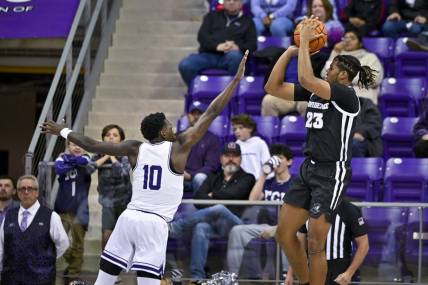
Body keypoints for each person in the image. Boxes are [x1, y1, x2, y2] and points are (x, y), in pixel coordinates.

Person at [41, 51, 249, 285]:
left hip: (128, 219)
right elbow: (212, 112)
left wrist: (63, 131)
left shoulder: (134, 148)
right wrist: (235, 81)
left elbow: (92, 144)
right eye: (169, 125)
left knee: (104, 279)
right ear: (162, 131)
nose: (172, 127)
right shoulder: (178, 146)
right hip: (154, 223)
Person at [264, 16, 377, 285]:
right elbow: (272, 87)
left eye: (332, 67)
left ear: (344, 76)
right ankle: (305, 281)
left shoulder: (346, 95)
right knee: (284, 233)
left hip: (331, 173)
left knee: (315, 243)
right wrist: (290, 51)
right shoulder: (317, 92)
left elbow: (305, 75)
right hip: (309, 168)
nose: (327, 68)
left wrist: (304, 41)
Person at [169, 142, 255, 283]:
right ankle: (197, 277)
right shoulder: (213, 176)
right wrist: (217, 196)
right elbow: (198, 199)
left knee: (220, 208)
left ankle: (177, 227)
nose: (231, 159)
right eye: (227, 155)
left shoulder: (248, 178)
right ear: (221, 158)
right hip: (214, 225)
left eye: (235, 156)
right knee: (200, 227)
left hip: (236, 225)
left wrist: (212, 195)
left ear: (240, 159)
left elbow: (234, 194)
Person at [227, 144, 293, 279]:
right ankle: (232, 277)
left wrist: (280, 228)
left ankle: (286, 277)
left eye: (281, 158)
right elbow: (252, 200)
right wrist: (263, 174)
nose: (278, 161)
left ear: (289, 161)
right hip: (266, 226)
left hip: (287, 227)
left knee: (288, 233)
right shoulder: (268, 183)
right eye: (275, 158)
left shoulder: (296, 183)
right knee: (237, 231)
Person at [0, 175, 69, 285]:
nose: (26, 192)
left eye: (30, 188)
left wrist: (45, 262)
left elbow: (63, 244)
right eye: (22, 188)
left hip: (41, 280)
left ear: (37, 192)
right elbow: (1, 248)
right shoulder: (8, 216)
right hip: (11, 279)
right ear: (17, 192)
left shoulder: (51, 216)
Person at [286, 199, 369, 285]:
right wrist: (290, 273)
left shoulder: (348, 209)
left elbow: (364, 244)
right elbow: (299, 245)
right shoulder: (307, 209)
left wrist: (349, 273)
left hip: (337, 269)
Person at [178, 0, 256, 87]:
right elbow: (202, 37)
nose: (231, 2)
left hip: (231, 57)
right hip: (208, 55)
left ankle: (230, 94)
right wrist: (217, 46)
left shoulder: (248, 21)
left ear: (241, 3)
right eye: (228, 0)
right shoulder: (211, 16)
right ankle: (198, 90)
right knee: (185, 65)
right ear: (223, 2)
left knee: (236, 57)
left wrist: (238, 47)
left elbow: (252, 45)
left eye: (235, 0)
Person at [87, 124, 132, 249]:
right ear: (103, 139)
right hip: (107, 201)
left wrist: (112, 156)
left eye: (115, 135)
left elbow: (122, 173)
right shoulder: (98, 155)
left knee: (124, 234)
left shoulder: (125, 156)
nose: (111, 138)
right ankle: (105, 264)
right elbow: (88, 169)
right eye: (107, 135)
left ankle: (123, 264)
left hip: (125, 200)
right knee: (106, 233)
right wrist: (106, 156)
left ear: (121, 140)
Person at [54, 141, 92, 280]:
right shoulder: (60, 158)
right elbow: (58, 169)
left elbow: (83, 161)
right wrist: (71, 161)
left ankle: (73, 273)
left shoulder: (87, 157)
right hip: (62, 207)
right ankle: (72, 264)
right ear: (67, 147)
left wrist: (69, 160)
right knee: (60, 241)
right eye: (72, 144)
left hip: (80, 210)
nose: (77, 146)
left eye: (80, 144)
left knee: (78, 243)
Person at [321, 29, 384, 105]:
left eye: (352, 38)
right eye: (345, 38)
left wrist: (341, 78)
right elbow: (324, 74)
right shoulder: (338, 57)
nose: (348, 40)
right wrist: (334, 52)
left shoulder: (370, 57)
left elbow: (373, 79)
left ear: (360, 43)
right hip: (336, 101)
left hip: (361, 100)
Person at [182, 101, 221, 193]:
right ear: (188, 116)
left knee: (200, 178)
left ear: (205, 117)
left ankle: (200, 207)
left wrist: (191, 176)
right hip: (179, 177)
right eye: (193, 114)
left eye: (200, 114)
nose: (196, 117)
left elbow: (211, 166)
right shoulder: (179, 137)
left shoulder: (212, 139)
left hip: (199, 178)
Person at [232, 114, 270, 179]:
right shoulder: (235, 146)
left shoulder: (260, 143)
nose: (237, 131)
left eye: (241, 128)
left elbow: (267, 164)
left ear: (250, 128)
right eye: (235, 129)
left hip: (258, 182)